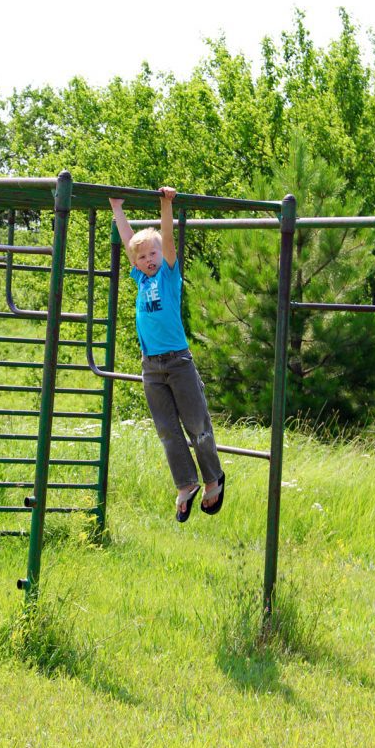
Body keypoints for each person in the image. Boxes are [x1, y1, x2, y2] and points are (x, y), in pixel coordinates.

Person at [108, 187, 225, 520]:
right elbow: (130, 242)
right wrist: (117, 209)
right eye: (142, 257)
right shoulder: (140, 279)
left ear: (162, 255)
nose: (148, 260)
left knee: (196, 424)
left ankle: (213, 477)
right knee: (166, 430)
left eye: (153, 254)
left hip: (178, 362)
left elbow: (169, 238)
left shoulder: (169, 276)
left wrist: (165, 204)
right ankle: (186, 483)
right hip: (151, 367)